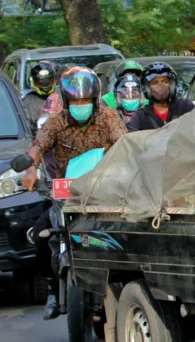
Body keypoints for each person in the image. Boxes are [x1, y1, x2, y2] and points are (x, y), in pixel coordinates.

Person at [21, 67, 127, 320]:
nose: (81, 105)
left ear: (95, 99)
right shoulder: (56, 122)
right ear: (66, 102)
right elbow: (37, 146)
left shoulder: (109, 117)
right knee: (40, 235)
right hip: (66, 196)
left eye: (85, 101)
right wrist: (30, 170)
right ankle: (50, 289)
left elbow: (125, 143)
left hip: (103, 192)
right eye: (75, 101)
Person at [127, 62, 195, 132]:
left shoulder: (186, 107)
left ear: (171, 85)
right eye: (154, 83)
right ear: (147, 88)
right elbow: (132, 140)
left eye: (165, 81)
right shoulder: (140, 116)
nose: (160, 85)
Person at [21, 60, 57, 131]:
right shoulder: (27, 101)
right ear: (33, 81)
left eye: (48, 80)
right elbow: (25, 126)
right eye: (40, 81)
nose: (45, 84)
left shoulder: (61, 96)